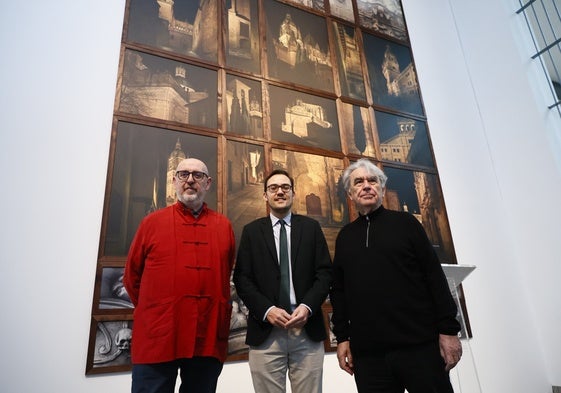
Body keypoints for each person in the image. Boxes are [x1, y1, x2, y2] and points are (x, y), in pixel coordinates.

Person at [330, 158, 462, 393]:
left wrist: (449, 331)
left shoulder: (406, 224)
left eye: (373, 180)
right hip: (370, 357)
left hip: (419, 347)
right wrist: (342, 338)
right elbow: (339, 293)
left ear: (381, 188)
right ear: (350, 194)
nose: (366, 185)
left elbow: (434, 277)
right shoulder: (345, 238)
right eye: (358, 182)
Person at [123, 158, 235, 393]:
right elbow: (132, 277)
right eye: (183, 174)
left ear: (208, 183)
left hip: (206, 337)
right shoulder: (151, 223)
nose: (190, 180)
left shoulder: (223, 225)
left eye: (198, 175)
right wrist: (156, 309)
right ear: (174, 181)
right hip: (159, 334)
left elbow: (225, 274)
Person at [233, 169, 332, 393]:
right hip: (266, 332)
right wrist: (267, 310)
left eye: (285, 187)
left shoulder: (311, 228)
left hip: (306, 330)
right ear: (265, 195)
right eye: (273, 188)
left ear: (293, 193)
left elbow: (325, 273)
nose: (280, 192)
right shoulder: (251, 232)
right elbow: (242, 278)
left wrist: (307, 307)